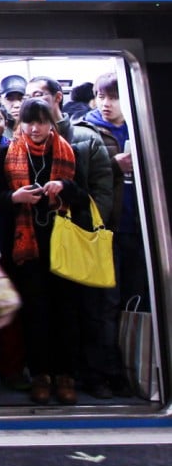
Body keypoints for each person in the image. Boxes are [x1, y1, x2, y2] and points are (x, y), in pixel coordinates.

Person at [0, 98, 90, 405]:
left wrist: (65, 187)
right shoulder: (7, 153)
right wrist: (15, 197)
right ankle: (41, 376)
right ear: (19, 123)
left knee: (66, 311)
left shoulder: (69, 151)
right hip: (26, 247)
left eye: (41, 122)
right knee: (35, 313)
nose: (35, 128)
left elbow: (83, 198)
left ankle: (66, 375)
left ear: (51, 123)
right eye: (29, 122)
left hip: (63, 243)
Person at [27, 77, 118, 399]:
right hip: (35, 239)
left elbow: (101, 189)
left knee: (83, 310)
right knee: (40, 311)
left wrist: (88, 228)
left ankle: (83, 375)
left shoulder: (83, 138)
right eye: (29, 96)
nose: (34, 101)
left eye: (39, 94)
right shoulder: (20, 143)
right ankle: (44, 375)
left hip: (76, 235)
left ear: (57, 98)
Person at [85, 74, 148, 396]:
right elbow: (80, 176)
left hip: (140, 228)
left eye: (113, 97)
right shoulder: (88, 130)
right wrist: (113, 165)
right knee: (105, 305)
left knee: (136, 301)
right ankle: (106, 373)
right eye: (101, 96)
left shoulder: (142, 127)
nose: (106, 103)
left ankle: (138, 367)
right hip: (107, 228)